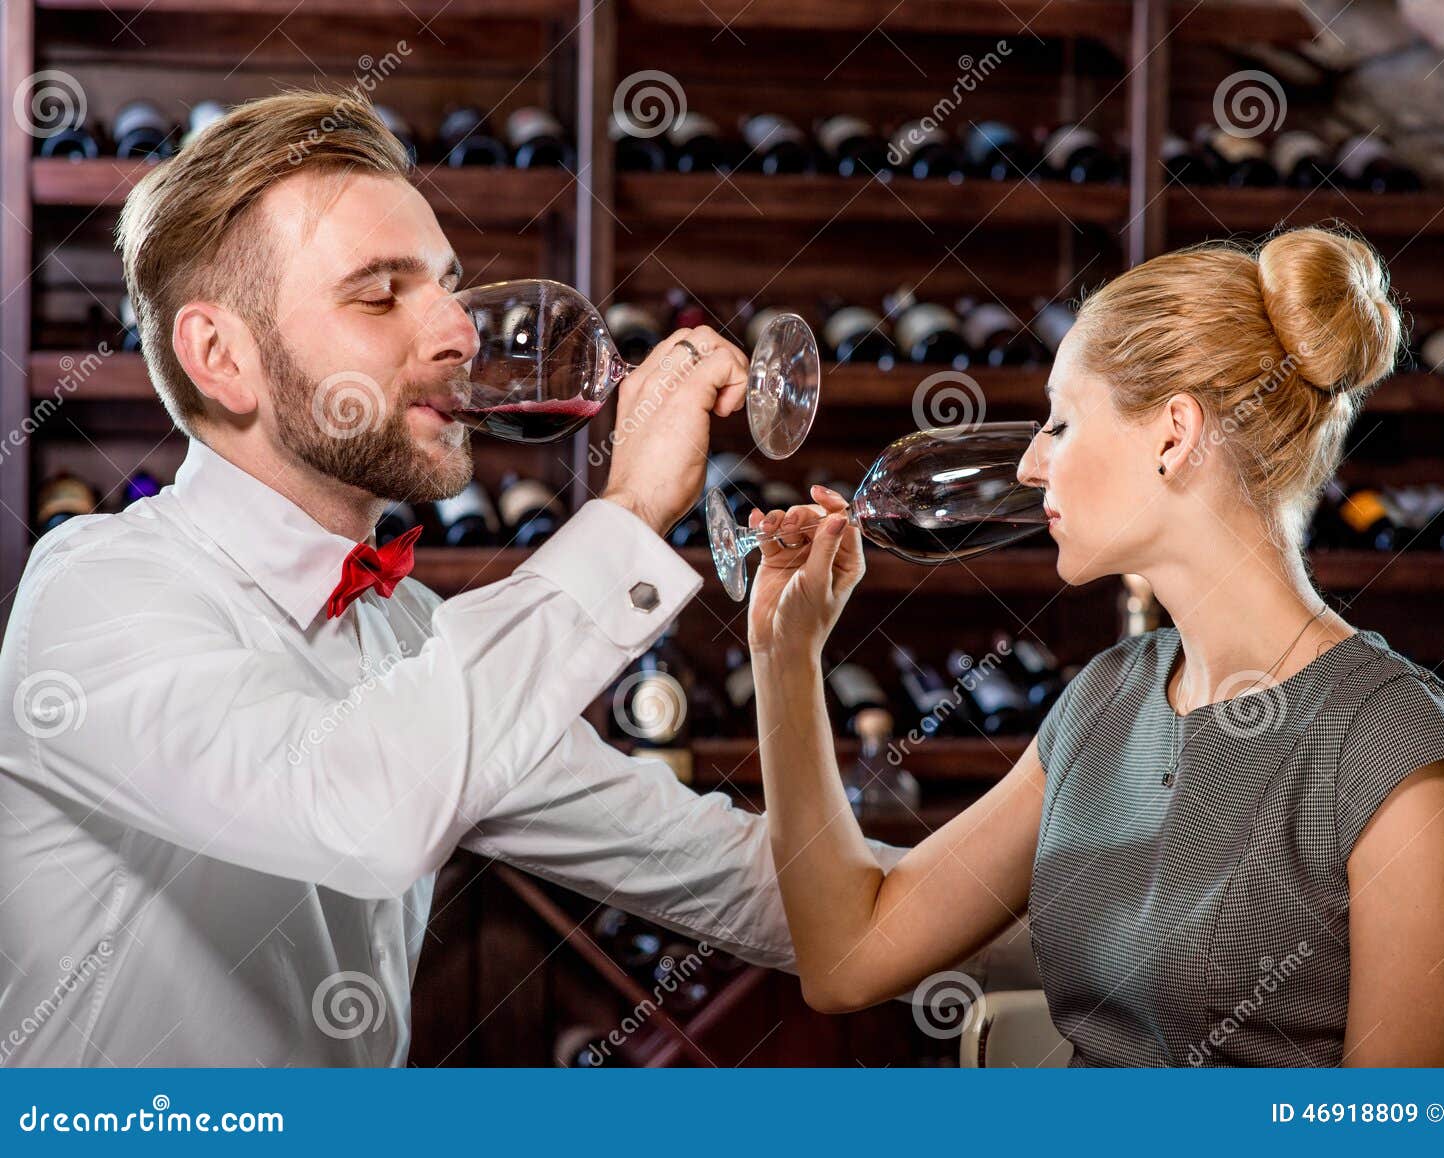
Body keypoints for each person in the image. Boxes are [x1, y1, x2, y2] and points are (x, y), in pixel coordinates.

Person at [0, 89, 927, 1067]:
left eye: (446, 285)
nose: (460, 332)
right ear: (222, 359)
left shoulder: (413, 635)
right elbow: (362, 813)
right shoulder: (97, 592)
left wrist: (1082, 884)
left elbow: (755, 885)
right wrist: (629, 511)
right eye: (378, 293)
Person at [746, 226, 1444, 1067]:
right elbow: (847, 957)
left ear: (1174, 435)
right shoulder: (1107, 700)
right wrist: (784, 656)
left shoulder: (1389, 742)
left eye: (1061, 422)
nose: (1032, 464)